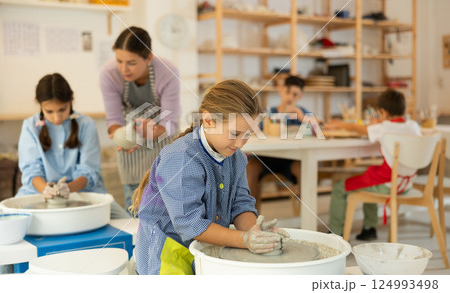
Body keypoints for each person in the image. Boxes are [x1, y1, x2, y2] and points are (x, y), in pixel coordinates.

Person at [130, 80, 289, 275]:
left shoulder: (235, 156)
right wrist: (244, 240)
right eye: (235, 133)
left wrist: (255, 232)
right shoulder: (181, 157)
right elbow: (190, 224)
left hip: (203, 247)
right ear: (208, 121)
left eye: (248, 134)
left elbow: (240, 204)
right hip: (165, 252)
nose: (241, 143)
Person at [17, 73, 130, 219]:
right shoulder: (30, 127)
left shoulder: (86, 124)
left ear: (71, 101)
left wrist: (68, 189)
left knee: (128, 224)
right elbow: (31, 171)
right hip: (38, 193)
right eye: (49, 111)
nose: (56, 117)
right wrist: (46, 190)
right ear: (40, 106)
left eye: (62, 109)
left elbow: (89, 171)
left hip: (84, 193)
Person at [99, 26, 181, 214]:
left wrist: (151, 133)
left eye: (132, 63)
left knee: (167, 207)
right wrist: (120, 136)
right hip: (130, 149)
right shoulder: (108, 74)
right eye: (119, 61)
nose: (123, 69)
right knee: (135, 207)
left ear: (149, 58)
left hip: (162, 141)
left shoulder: (167, 72)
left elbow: (170, 122)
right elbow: (113, 120)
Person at [326, 88, 421, 240]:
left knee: (339, 188)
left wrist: (338, 125)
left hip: (388, 184)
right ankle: (369, 229)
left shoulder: (383, 128)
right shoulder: (413, 126)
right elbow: (389, 126)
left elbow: (358, 128)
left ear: (383, 112)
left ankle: (336, 233)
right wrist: (380, 122)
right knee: (368, 178)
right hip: (407, 183)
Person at [246, 75, 311, 211]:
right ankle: (251, 214)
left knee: (303, 168)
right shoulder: (269, 112)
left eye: (295, 94)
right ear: (281, 90)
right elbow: (256, 131)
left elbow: (318, 130)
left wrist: (302, 118)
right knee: (250, 167)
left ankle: (307, 214)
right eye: (288, 92)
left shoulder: (302, 113)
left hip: (290, 158)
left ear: (300, 96)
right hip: (265, 157)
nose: (290, 97)